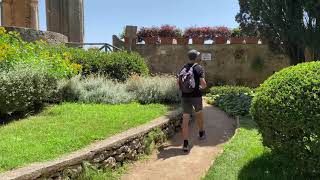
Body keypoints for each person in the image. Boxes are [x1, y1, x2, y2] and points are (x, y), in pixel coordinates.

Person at [177, 49, 207, 152]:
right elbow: (203, 84)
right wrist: (198, 87)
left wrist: (185, 90)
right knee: (199, 114)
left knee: (185, 119)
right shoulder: (199, 68)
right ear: (196, 57)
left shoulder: (183, 67)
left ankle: (185, 144)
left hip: (185, 97)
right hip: (196, 96)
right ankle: (201, 132)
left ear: (188, 57)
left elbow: (178, 83)